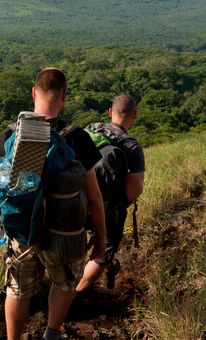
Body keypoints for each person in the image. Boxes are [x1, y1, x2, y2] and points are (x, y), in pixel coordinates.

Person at [0, 67, 106, 340]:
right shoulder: (76, 138)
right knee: (64, 283)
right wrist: (101, 236)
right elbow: (95, 199)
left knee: (17, 289)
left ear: (33, 93)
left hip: (21, 231)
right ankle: (52, 333)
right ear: (64, 96)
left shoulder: (7, 136)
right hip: (63, 235)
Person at [75, 94, 145, 294]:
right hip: (106, 212)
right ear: (135, 115)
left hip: (75, 201)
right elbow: (133, 191)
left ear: (110, 112)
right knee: (103, 253)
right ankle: (74, 295)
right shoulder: (131, 146)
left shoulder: (88, 131)